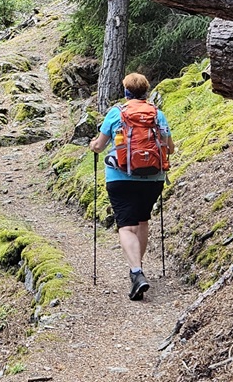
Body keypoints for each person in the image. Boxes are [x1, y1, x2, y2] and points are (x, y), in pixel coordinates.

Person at [89, 72, 174, 301]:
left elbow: (99, 145)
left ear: (126, 91)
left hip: (120, 177)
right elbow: (170, 148)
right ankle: (138, 267)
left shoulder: (117, 113)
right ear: (146, 91)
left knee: (126, 226)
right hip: (153, 178)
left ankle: (136, 272)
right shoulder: (158, 114)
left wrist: (92, 146)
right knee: (143, 220)